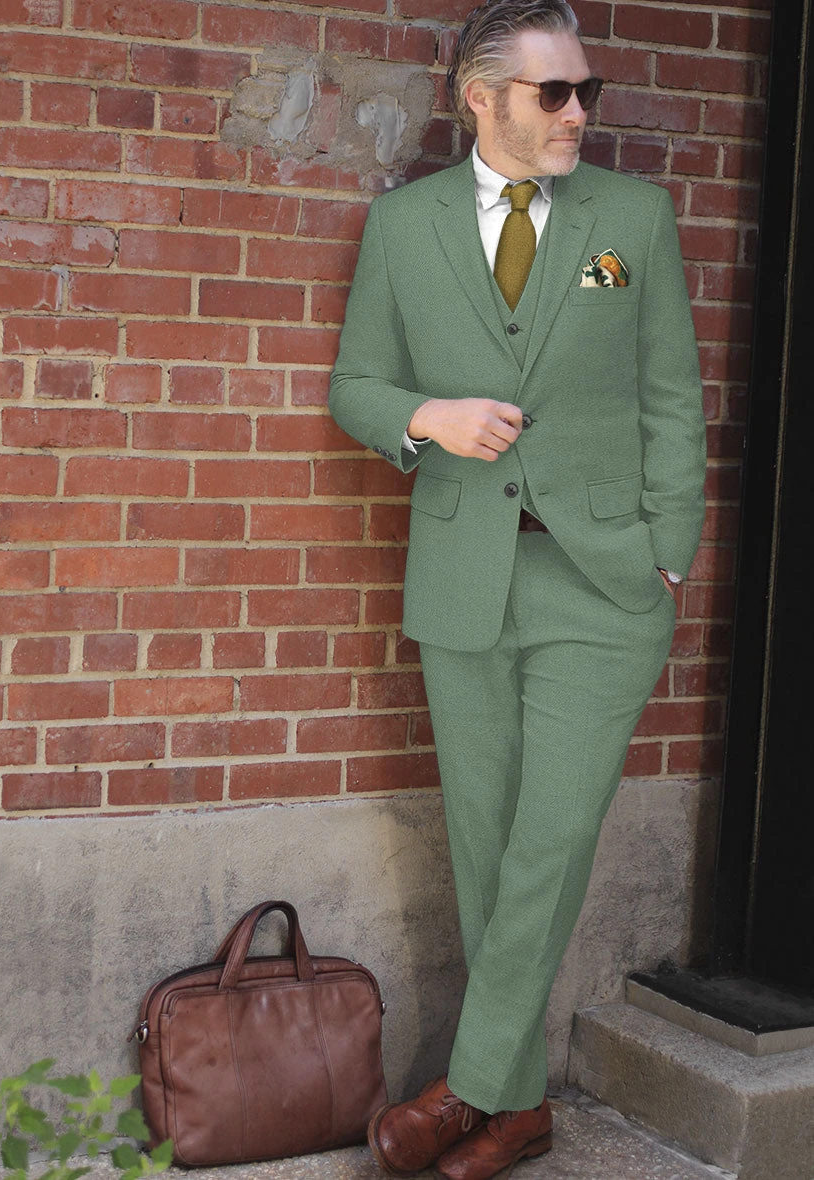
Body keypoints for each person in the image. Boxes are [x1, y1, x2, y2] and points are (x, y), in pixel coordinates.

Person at [328, 0, 706, 1175]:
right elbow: (355, 385)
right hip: (465, 574)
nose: (579, 111)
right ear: (480, 99)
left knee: (551, 837)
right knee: (487, 846)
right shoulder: (404, 227)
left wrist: (671, 548)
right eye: (555, 92)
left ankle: (465, 1086)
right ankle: (522, 1107)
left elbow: (670, 393)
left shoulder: (629, 220)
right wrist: (426, 418)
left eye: (586, 89)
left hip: (603, 580)